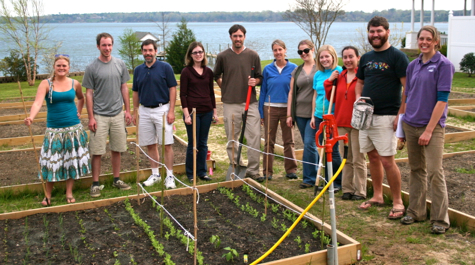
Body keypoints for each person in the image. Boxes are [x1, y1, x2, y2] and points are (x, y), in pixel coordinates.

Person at [399, 25, 454, 234]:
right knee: (416, 170)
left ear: (436, 42)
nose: (423, 42)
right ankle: (416, 211)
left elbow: (442, 101)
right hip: (410, 124)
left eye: (428, 39)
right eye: (421, 38)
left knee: (434, 172)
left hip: (432, 127)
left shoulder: (443, 65)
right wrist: (401, 124)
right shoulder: (413, 65)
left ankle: (440, 219)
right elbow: (407, 95)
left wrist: (429, 130)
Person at [355, 16, 409, 219]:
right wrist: (359, 101)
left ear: (387, 32)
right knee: (372, 157)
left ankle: (397, 201)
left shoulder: (397, 57)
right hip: (366, 117)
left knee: (388, 160)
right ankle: (377, 196)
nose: (375, 35)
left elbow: (407, 88)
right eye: (372, 31)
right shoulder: (367, 58)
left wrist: (400, 115)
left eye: (379, 31)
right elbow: (359, 82)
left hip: (387, 116)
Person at [25, 55, 91, 205]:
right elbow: (37, 103)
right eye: (59, 65)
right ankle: (47, 195)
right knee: (52, 162)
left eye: (64, 66)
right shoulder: (46, 83)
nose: (61, 68)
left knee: (71, 161)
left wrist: (79, 112)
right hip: (54, 130)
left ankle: (69, 192)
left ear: (69, 68)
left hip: (73, 128)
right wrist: (31, 117)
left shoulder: (75, 83)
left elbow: (81, 98)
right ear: (54, 67)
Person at [83, 32, 133, 197]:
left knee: (117, 148)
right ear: (98, 46)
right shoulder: (92, 68)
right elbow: (88, 94)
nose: (107, 48)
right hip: (99, 115)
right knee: (97, 151)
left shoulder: (120, 64)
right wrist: (91, 117)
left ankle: (116, 179)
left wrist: (127, 110)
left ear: (112, 45)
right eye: (104, 45)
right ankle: (95, 183)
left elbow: (124, 87)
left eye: (109, 45)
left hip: (117, 114)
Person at [213, 24, 263, 181]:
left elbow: (260, 77)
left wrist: (255, 81)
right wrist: (225, 88)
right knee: (232, 138)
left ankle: (253, 171)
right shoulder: (223, 56)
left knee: (254, 136)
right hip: (230, 104)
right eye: (235, 36)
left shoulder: (253, 55)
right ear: (230, 38)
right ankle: (236, 166)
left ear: (244, 37)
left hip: (250, 102)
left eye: (240, 36)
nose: (238, 39)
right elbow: (216, 75)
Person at [132, 39, 177, 189]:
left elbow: (172, 88)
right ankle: (155, 174)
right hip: (144, 110)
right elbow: (135, 91)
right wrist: (135, 110)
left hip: (162, 109)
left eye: (150, 50)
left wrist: (171, 110)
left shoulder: (165, 68)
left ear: (155, 51)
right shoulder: (138, 70)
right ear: (142, 52)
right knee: (150, 144)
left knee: (167, 144)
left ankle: (170, 176)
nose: (148, 53)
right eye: (145, 50)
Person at [324, 46, 367, 200]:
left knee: (358, 158)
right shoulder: (340, 77)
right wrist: (330, 81)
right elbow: (331, 97)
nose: (348, 60)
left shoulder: (361, 77)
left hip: (357, 123)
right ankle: (347, 189)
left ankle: (360, 190)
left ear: (358, 58)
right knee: (346, 158)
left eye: (351, 57)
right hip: (341, 122)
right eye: (345, 57)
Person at [258, 40, 298, 181]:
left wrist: (293, 112)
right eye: (275, 50)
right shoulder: (268, 69)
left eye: (280, 49)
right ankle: (267, 172)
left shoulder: (294, 68)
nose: (278, 52)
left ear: (285, 50)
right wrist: (261, 112)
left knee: (289, 141)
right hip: (270, 108)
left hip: (287, 109)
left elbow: (296, 91)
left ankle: (291, 170)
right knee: (269, 141)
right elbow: (263, 91)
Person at [180, 41, 217, 183]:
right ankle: (190, 173)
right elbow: (183, 95)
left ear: (204, 53)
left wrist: (214, 112)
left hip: (206, 111)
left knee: (203, 143)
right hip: (193, 113)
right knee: (193, 143)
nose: (198, 54)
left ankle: (202, 172)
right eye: (195, 52)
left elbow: (212, 93)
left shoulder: (208, 72)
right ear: (190, 55)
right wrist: (186, 114)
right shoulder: (186, 72)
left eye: (200, 52)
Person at [310, 45, 343, 191]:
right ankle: (325, 178)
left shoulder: (339, 71)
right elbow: (316, 95)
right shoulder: (317, 74)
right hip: (319, 115)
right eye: (321, 57)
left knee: (333, 149)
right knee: (322, 147)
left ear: (333, 57)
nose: (324, 60)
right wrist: (312, 115)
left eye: (327, 56)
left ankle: (336, 182)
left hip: (332, 115)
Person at [286, 40, 318, 188]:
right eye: (300, 52)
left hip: (316, 113)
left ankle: (309, 179)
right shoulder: (297, 71)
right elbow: (292, 92)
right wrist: (289, 114)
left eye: (306, 50)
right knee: (309, 144)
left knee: (310, 144)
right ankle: (316, 173)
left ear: (313, 50)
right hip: (300, 113)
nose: (303, 54)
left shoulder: (320, 67)